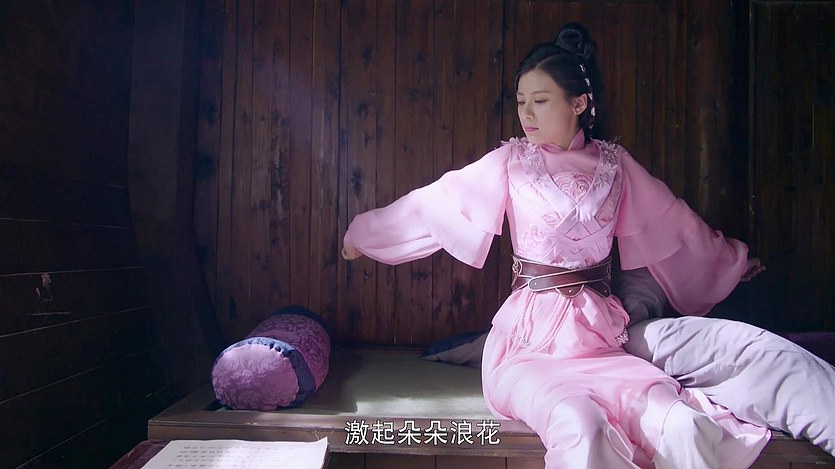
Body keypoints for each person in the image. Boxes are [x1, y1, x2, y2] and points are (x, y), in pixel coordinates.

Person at [342, 23, 771, 468]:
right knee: (584, 425)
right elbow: (432, 205)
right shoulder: (511, 162)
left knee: (680, 423)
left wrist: (732, 262)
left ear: (579, 103)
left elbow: (676, 225)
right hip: (528, 345)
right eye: (521, 102)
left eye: (541, 101)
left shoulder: (615, 166)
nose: (526, 114)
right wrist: (362, 237)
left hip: (599, 342)